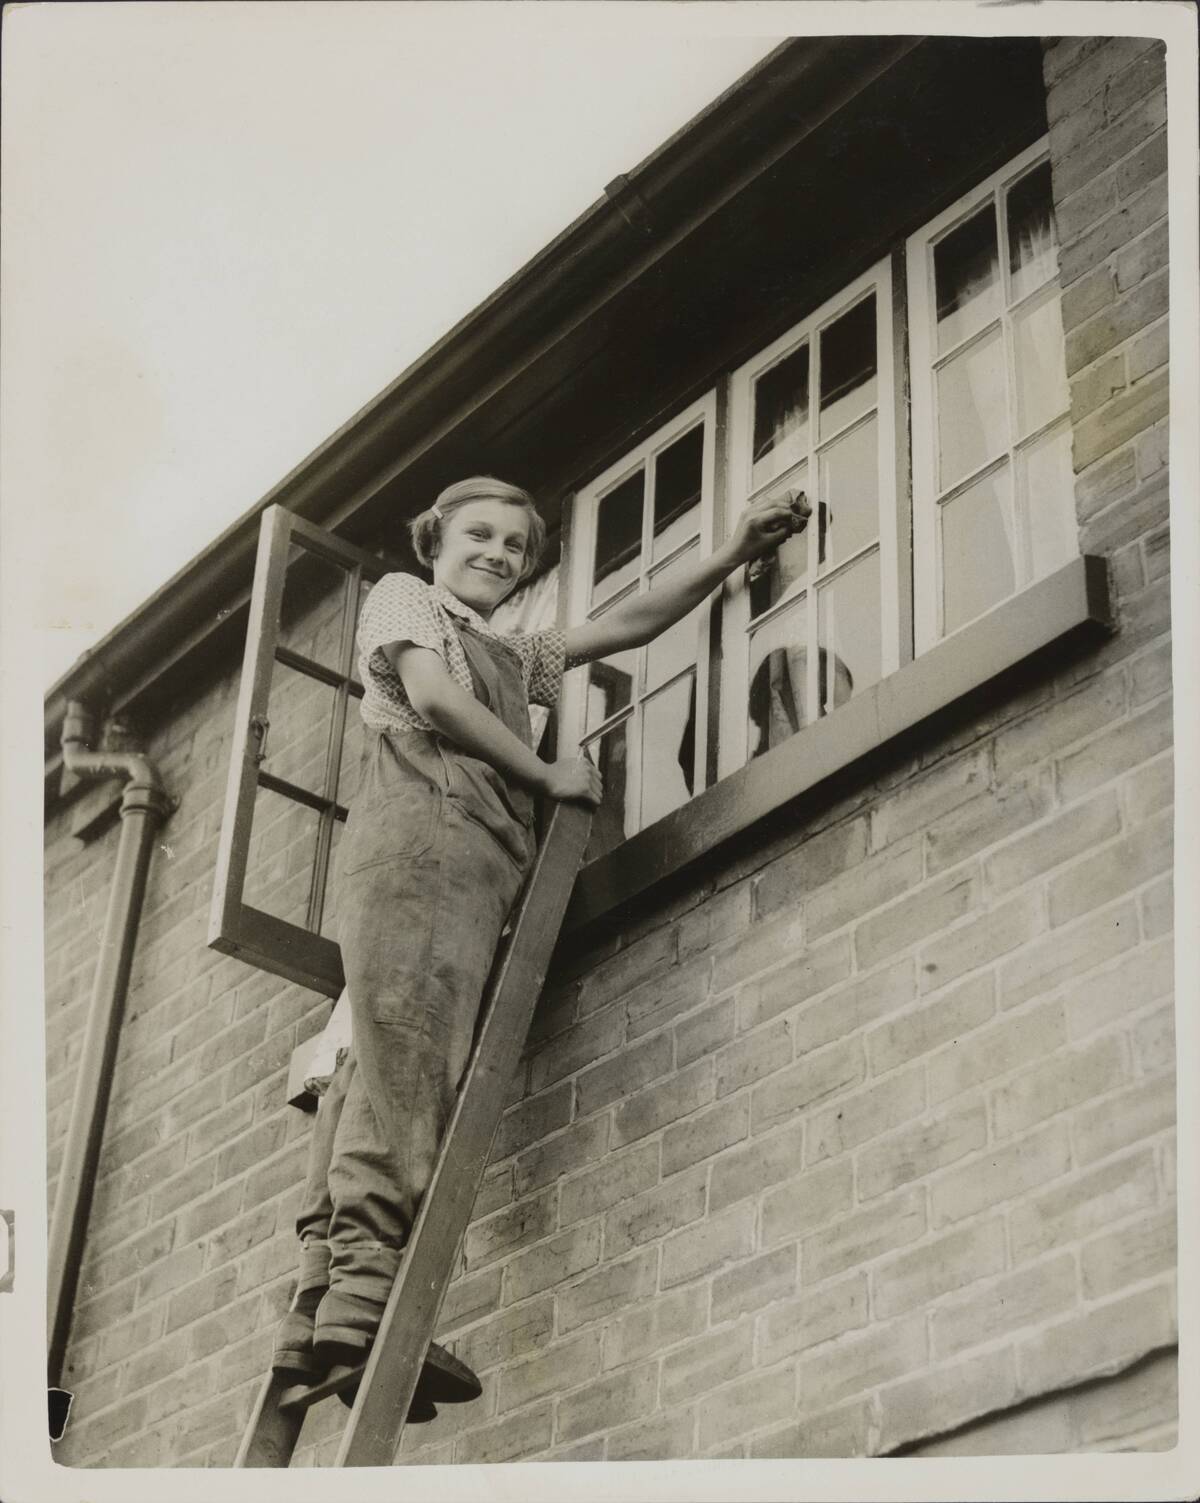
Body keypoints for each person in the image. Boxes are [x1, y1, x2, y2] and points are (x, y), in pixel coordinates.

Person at [271, 473, 809, 1410]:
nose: (497, 553)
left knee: (376, 1062)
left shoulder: (514, 655)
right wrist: (549, 774)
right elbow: (435, 700)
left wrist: (730, 551)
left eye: (515, 547)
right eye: (478, 533)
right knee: (412, 1066)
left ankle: (323, 1307)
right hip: (425, 844)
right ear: (435, 538)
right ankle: (362, 1299)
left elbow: (631, 621)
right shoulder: (408, 601)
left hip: (458, 864)